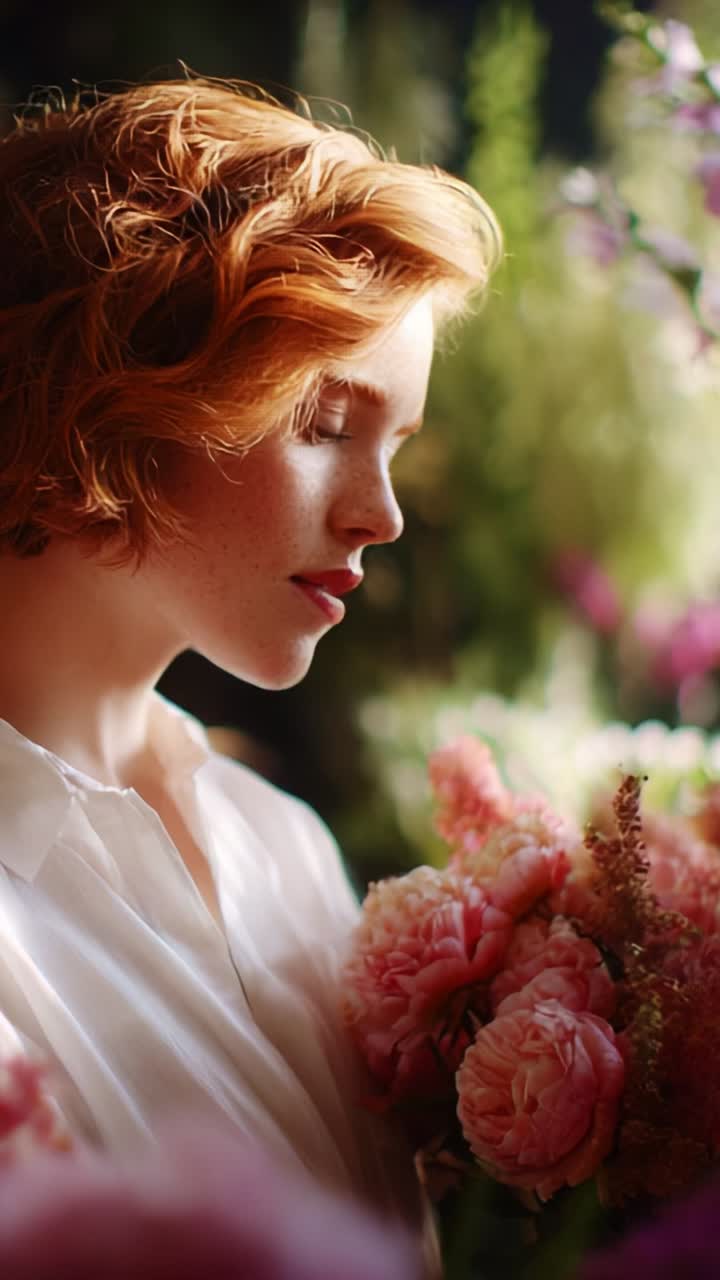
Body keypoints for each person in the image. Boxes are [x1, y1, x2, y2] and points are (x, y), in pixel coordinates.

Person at [0, 75, 501, 1272]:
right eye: (325, 422)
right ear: (118, 383)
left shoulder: (288, 850)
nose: (380, 516)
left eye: (399, 445)